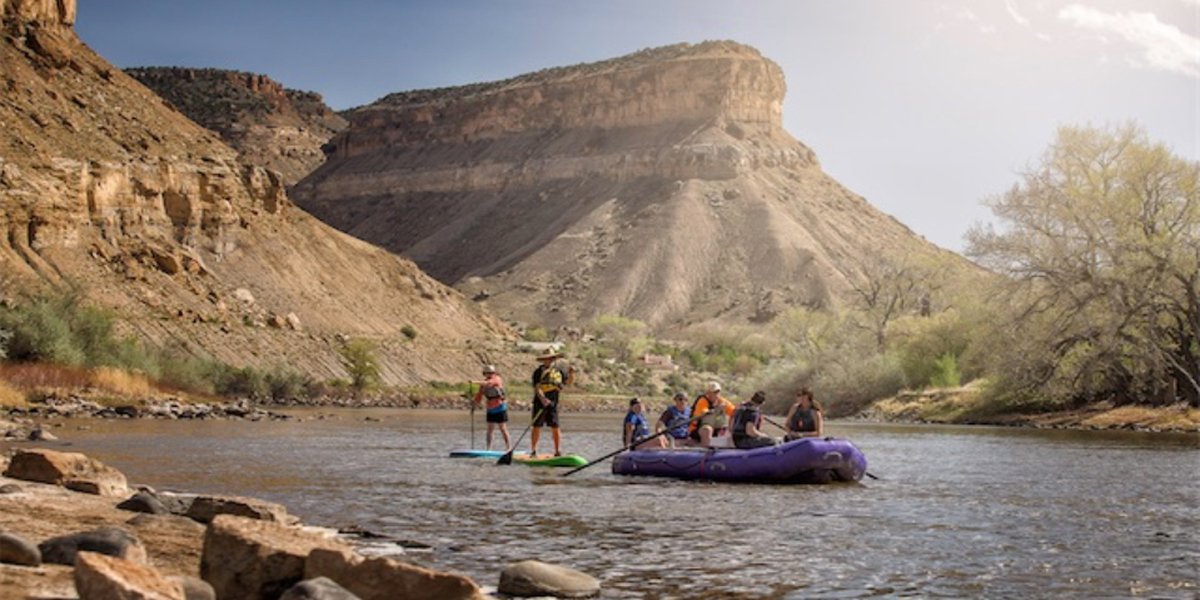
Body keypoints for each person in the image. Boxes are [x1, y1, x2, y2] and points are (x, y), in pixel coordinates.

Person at [530, 348, 574, 456]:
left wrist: (571, 373)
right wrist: (543, 399)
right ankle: (533, 450)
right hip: (540, 403)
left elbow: (568, 382)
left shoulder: (559, 372)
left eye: (551, 359)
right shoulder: (538, 372)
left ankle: (557, 450)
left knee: (555, 426)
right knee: (537, 426)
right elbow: (537, 387)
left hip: (553, 403)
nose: (548, 361)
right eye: (546, 359)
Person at [473, 365, 511, 451]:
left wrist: (474, 382)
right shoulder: (483, 384)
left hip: (500, 407)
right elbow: (479, 395)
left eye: (491, 373)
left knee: (502, 428)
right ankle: (489, 449)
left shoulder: (497, 379)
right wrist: (475, 404)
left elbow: (489, 383)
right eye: (487, 373)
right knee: (490, 429)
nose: (489, 375)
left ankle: (509, 447)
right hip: (490, 408)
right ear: (484, 374)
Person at [688, 381, 735, 447]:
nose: (717, 394)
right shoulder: (702, 401)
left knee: (728, 429)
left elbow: (733, 411)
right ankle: (704, 449)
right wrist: (717, 409)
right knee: (707, 429)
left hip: (717, 428)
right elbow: (705, 413)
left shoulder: (722, 402)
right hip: (698, 429)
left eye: (718, 392)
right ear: (708, 393)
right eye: (714, 392)